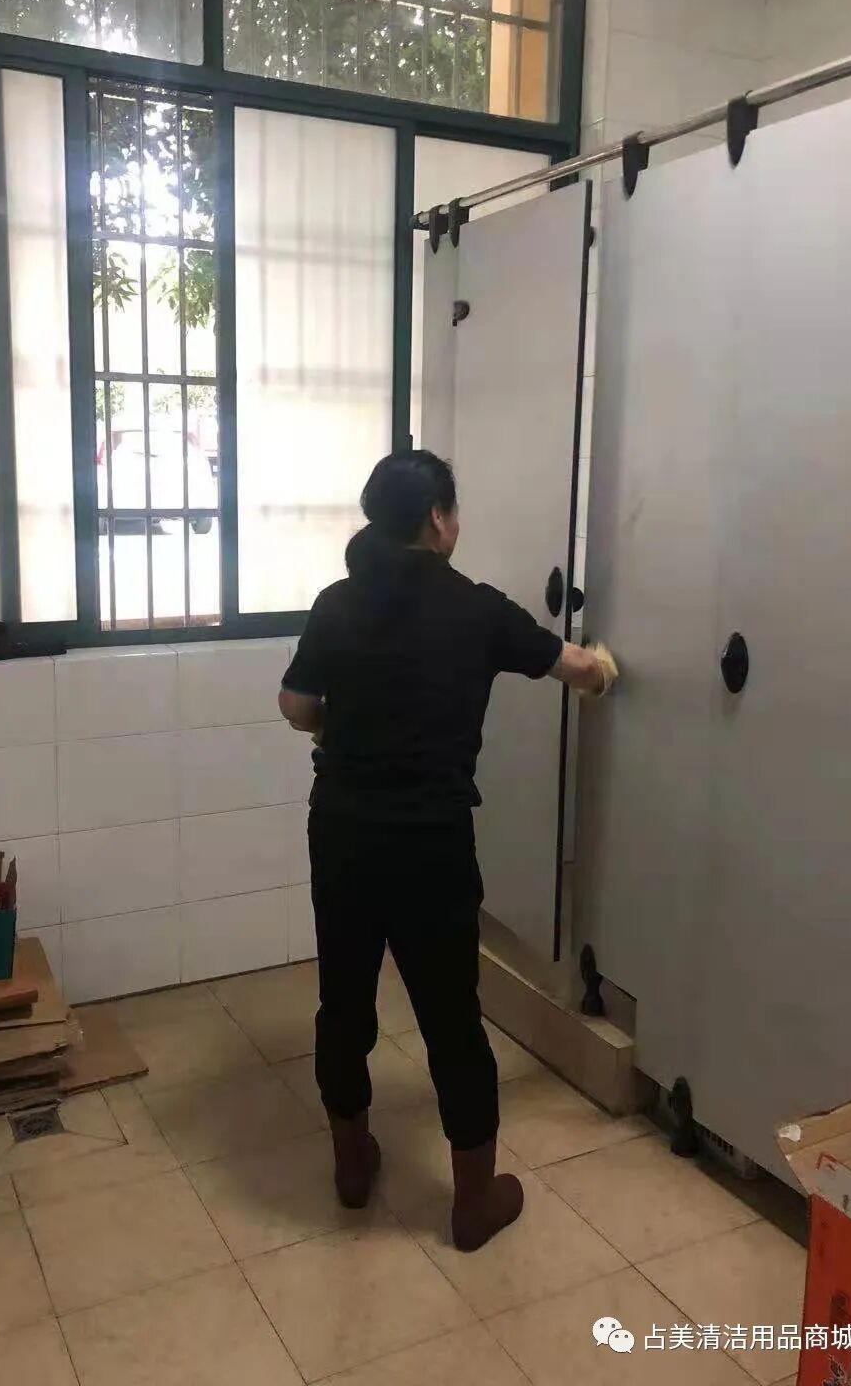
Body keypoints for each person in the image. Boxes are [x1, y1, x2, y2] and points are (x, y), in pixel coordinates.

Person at [279, 449, 617, 1253]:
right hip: (430, 842)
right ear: (436, 517)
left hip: (344, 832)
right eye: (454, 511)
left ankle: (352, 1164)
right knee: (452, 1019)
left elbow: (295, 703)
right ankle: (472, 1203)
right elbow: (571, 666)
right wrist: (606, 671)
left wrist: (336, 727)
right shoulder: (476, 609)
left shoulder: (337, 603)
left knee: (344, 1003)